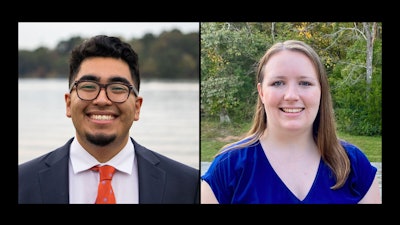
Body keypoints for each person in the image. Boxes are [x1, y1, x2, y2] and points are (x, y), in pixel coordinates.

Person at [19, 35, 199, 204]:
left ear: (137, 107)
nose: (102, 100)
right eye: (88, 86)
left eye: (118, 88)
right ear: (68, 103)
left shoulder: (189, 186)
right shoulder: (23, 182)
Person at [201, 40, 381, 204]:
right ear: (261, 92)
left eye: (305, 83)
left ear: (321, 91)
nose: (292, 96)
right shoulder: (227, 168)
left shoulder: (354, 165)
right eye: (278, 83)